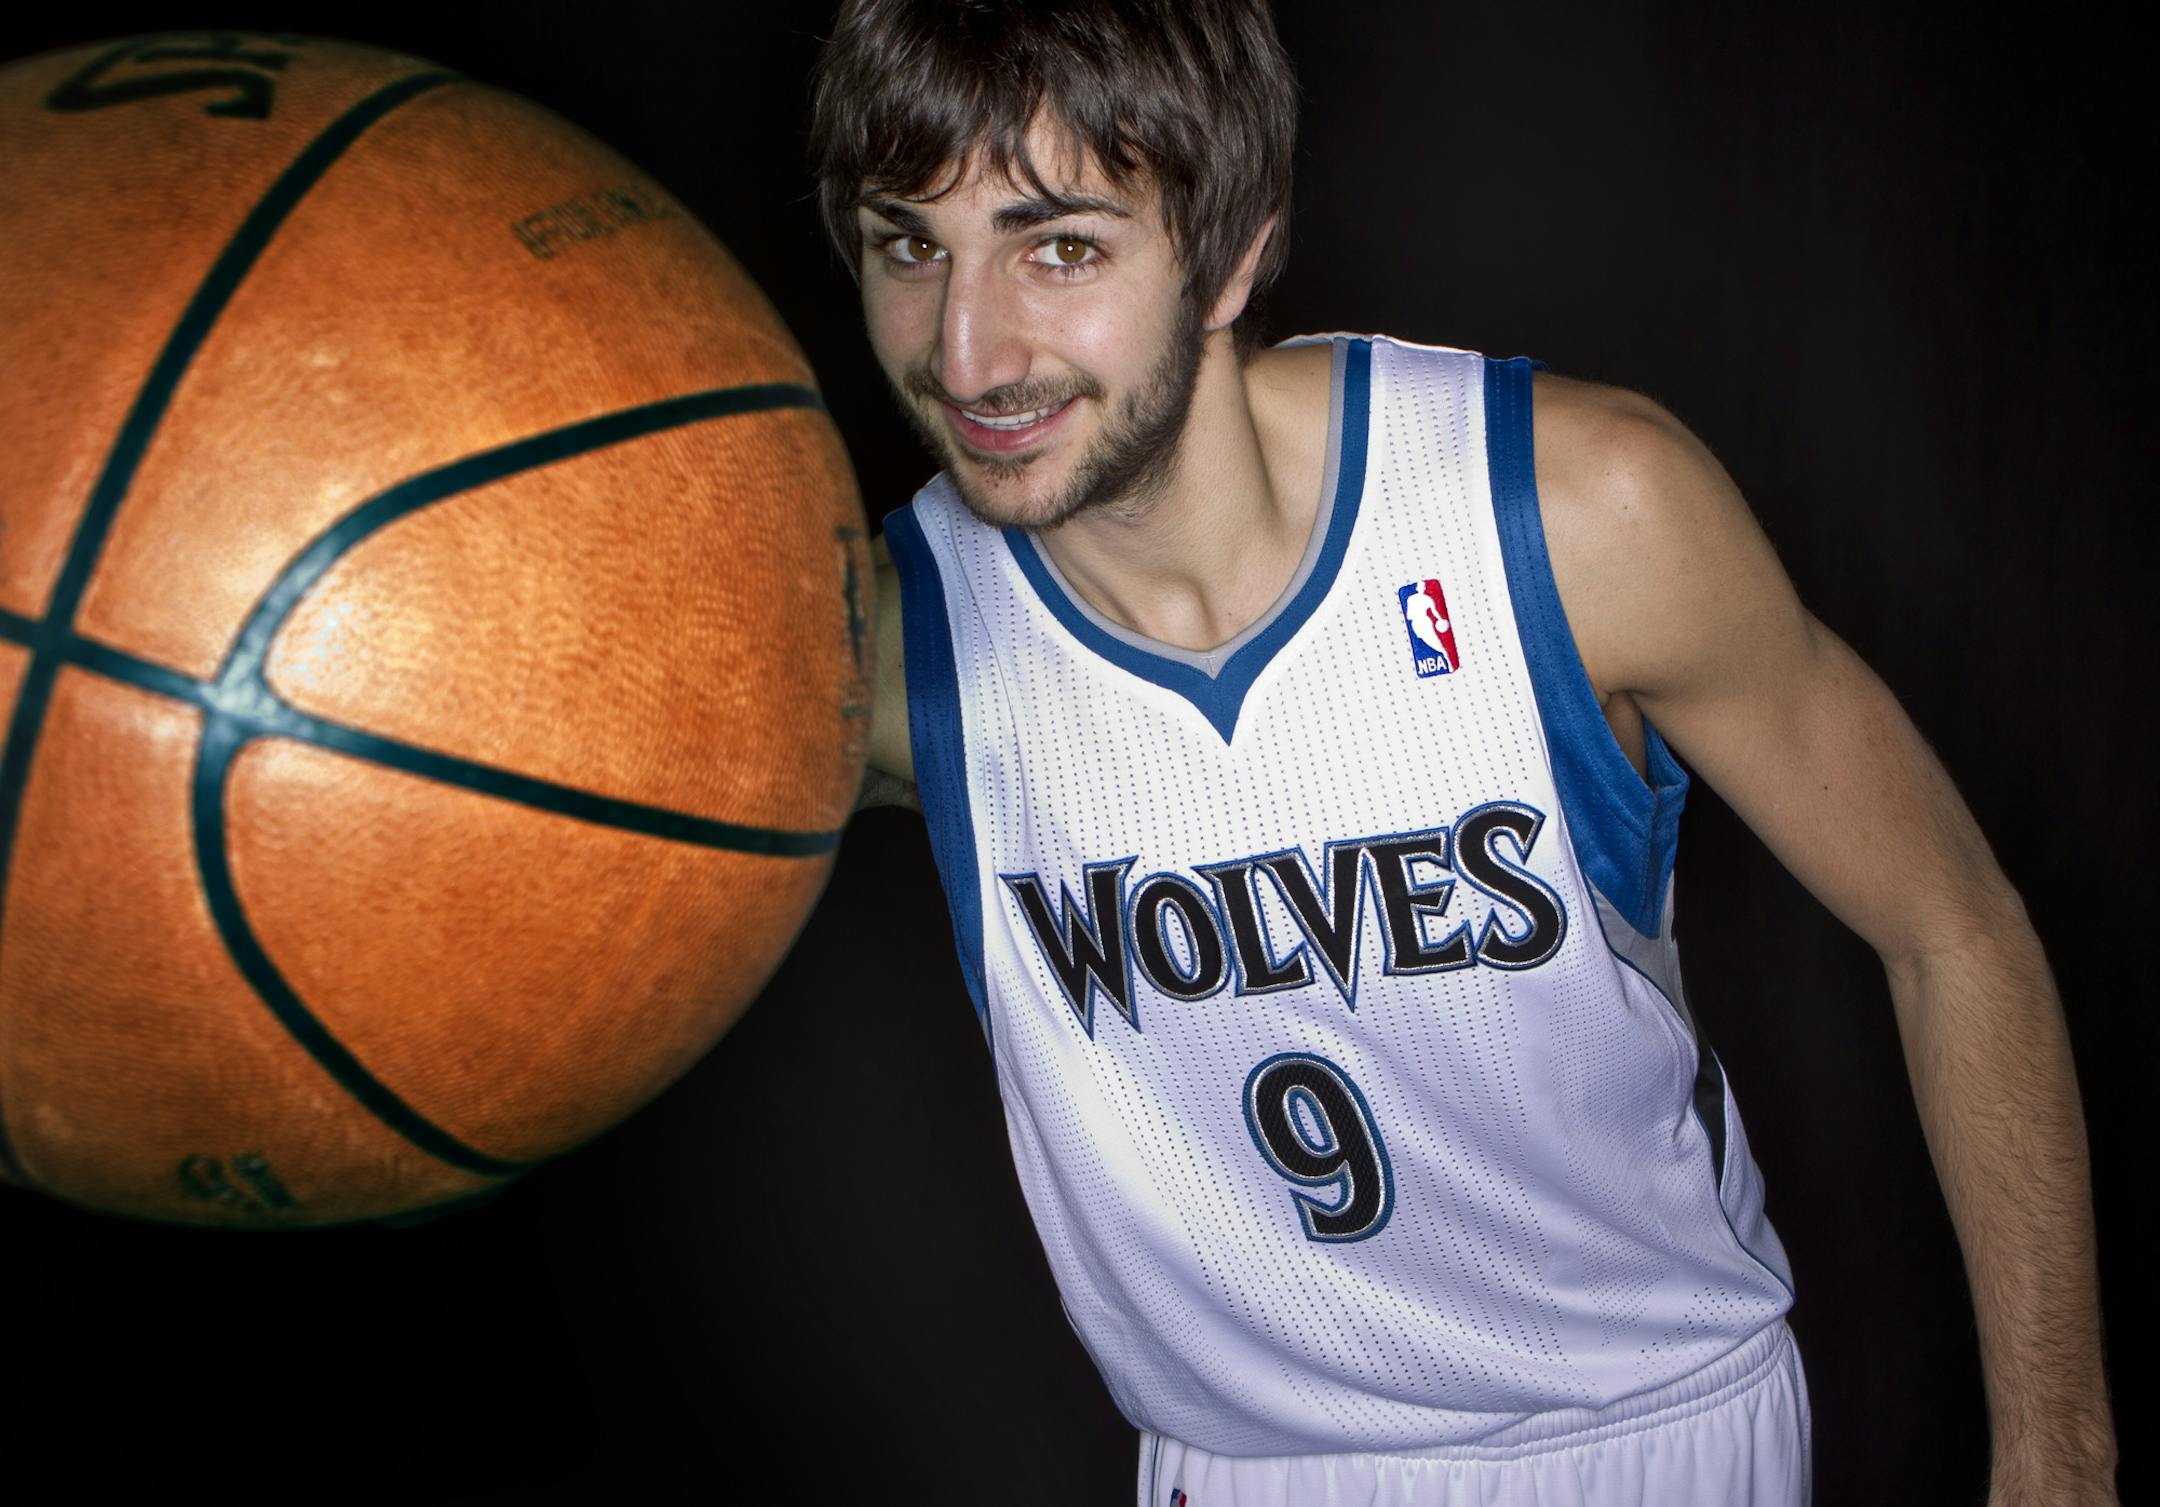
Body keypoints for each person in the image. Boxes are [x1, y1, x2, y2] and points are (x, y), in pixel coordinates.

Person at [809, 2, 2116, 1502]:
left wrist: (2060, 1456)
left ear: (1233, 255)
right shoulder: (877, 654)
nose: (968, 351)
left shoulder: (1569, 513)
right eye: (911, 246)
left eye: (1058, 249)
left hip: (1646, 1436)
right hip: (1239, 1471)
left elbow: (1955, 929)